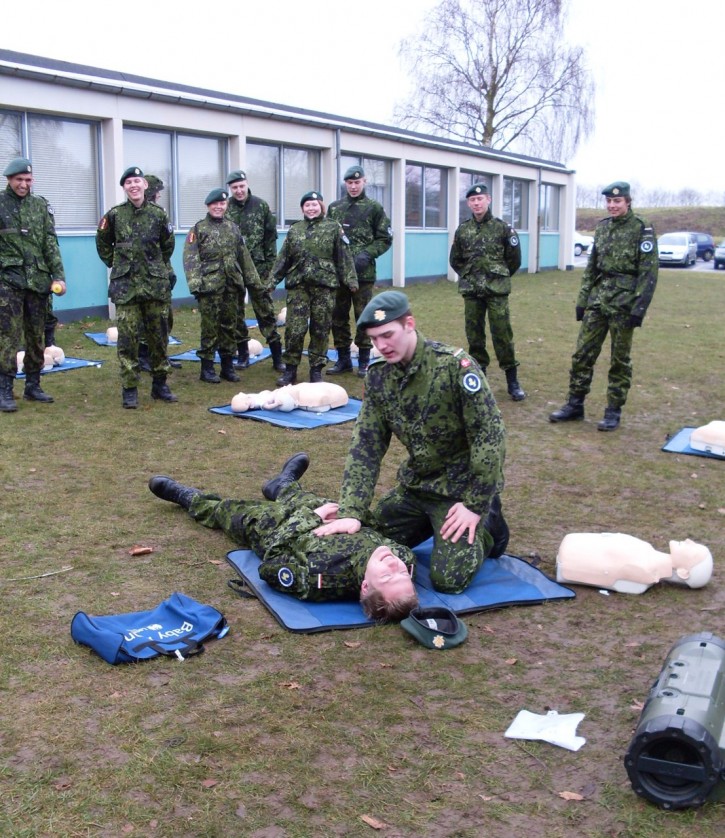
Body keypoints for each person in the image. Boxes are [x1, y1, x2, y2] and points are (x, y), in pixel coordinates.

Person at [314, 290, 509, 594]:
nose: (381, 345)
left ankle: (489, 528)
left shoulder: (454, 368)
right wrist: (352, 510)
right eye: (374, 339)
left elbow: (490, 437)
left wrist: (475, 503)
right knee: (368, 538)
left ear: (409, 324)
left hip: (459, 492)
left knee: (448, 580)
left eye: (387, 335)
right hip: (417, 487)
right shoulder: (379, 377)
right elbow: (366, 447)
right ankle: (432, 524)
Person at [148, 453, 419, 622]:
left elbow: (270, 562)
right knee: (302, 497)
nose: (394, 566)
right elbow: (377, 531)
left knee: (231, 512)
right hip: (326, 510)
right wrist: (353, 517)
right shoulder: (404, 558)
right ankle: (283, 485)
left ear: (364, 587)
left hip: (278, 527)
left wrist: (312, 518)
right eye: (402, 575)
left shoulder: (319, 579)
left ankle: (188, 497)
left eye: (386, 577)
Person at [549, 181, 658, 431]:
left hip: (624, 302)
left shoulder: (642, 228)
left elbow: (648, 272)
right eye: (609, 201)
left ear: (628, 202)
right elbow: (591, 268)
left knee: (619, 359)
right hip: (599, 299)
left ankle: (613, 411)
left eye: (617, 201)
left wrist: (639, 308)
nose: (612, 205)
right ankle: (575, 404)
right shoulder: (602, 228)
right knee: (582, 354)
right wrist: (582, 300)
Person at [96, 166, 177, 409]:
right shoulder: (114, 215)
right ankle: (130, 388)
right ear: (124, 188)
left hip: (154, 286)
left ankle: (160, 384)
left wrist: (156, 266)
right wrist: (116, 263)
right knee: (128, 339)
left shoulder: (158, 214)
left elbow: (167, 245)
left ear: (145, 186)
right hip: (126, 287)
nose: (133, 186)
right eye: (128, 182)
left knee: (159, 336)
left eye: (137, 181)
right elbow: (102, 243)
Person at [0, 157, 66, 412]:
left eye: (28, 180)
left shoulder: (40, 206)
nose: (24, 185)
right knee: (7, 336)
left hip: (38, 282)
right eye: (19, 180)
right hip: (8, 281)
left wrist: (59, 276)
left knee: (36, 336)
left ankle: (33, 385)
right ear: (9, 179)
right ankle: (5, 389)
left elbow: (51, 244)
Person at [272, 191, 357, 385]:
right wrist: (271, 282)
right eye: (307, 205)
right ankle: (290, 371)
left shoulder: (333, 228)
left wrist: (351, 280)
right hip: (298, 287)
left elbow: (343, 255)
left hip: (324, 287)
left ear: (321, 206)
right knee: (294, 329)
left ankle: (316, 370)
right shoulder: (295, 230)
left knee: (320, 329)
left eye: (314, 204)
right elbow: (283, 258)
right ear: (302, 208)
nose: (311, 208)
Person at [449, 183, 525, 401]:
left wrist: (498, 277)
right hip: (472, 291)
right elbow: (455, 259)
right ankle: (478, 376)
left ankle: (512, 380)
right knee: (474, 334)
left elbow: (514, 259)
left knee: (502, 333)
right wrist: (469, 275)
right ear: (468, 203)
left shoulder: (503, 228)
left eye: (480, 199)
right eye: (473, 200)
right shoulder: (463, 230)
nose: (477, 203)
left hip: (496, 290)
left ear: (488, 200)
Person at [183, 187, 262, 384]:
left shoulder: (233, 228)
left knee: (229, 327)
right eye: (215, 204)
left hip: (232, 286)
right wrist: (196, 284)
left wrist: (254, 281)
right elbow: (190, 258)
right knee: (210, 328)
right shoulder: (199, 229)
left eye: (222, 204)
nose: (218, 207)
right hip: (209, 287)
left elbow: (244, 257)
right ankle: (207, 368)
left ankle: (227, 366)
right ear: (208, 206)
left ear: (226, 205)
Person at [326, 165, 393, 378]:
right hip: (339, 274)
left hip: (363, 274)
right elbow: (328, 237)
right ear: (345, 184)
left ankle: (364, 360)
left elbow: (385, 238)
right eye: (350, 183)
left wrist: (367, 254)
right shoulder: (335, 208)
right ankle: (343, 359)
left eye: (357, 182)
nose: (353, 186)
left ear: (364, 182)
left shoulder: (374, 208)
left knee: (363, 316)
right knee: (338, 316)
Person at [224, 170, 285, 372]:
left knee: (265, 311)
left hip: (258, 268)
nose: (239, 191)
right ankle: (243, 354)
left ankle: (277, 356)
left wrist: (269, 269)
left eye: (241, 186)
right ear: (230, 189)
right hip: (234, 270)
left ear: (247, 184)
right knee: (235, 313)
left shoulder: (261, 206)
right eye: (234, 188)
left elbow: (270, 239)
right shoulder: (226, 208)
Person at [556, 532, 713, 595]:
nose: (688, 541)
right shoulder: (648, 554)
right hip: (573, 549)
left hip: (570, 559)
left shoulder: (644, 572)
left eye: (693, 551)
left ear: (683, 572)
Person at [137, 175, 181, 373]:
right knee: (146, 320)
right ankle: (144, 356)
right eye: (157, 192)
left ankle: (161, 355)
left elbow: (165, 249)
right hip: (142, 277)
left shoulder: (159, 214)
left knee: (164, 318)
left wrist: (168, 271)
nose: (160, 195)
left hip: (160, 274)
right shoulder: (135, 216)